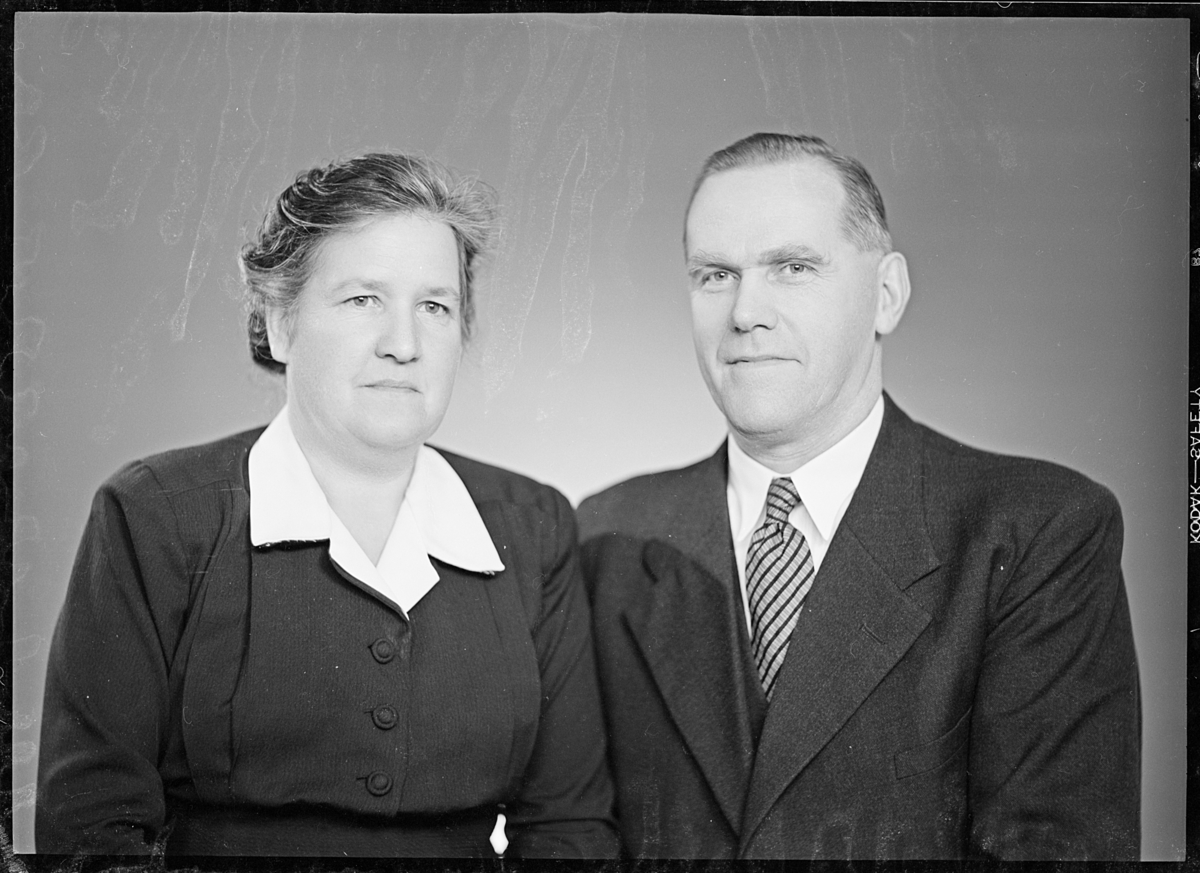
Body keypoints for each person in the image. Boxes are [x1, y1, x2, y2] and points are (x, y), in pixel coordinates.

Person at [36, 152, 618, 858]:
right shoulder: (155, 514)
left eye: (434, 307)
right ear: (280, 323)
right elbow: (92, 827)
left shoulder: (533, 525)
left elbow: (567, 827)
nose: (403, 345)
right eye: (363, 299)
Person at [576, 133, 1140, 861]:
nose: (745, 312)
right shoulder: (603, 535)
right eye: (715, 275)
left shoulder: (1037, 530)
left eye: (793, 267)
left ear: (887, 295)